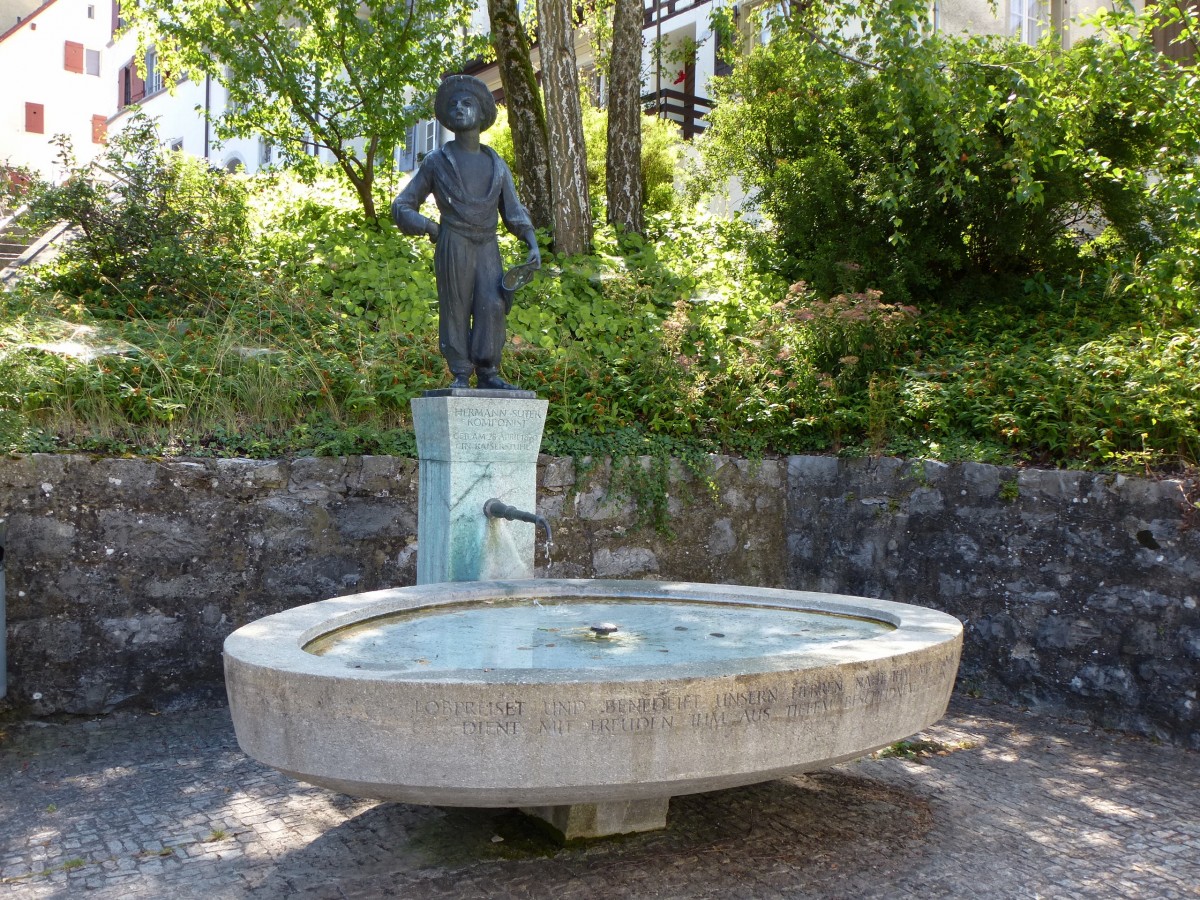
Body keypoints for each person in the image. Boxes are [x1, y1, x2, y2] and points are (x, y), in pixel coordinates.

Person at [392, 75, 541, 391]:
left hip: (487, 244)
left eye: (467, 103)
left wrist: (531, 242)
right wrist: (430, 227)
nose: (459, 108)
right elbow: (403, 205)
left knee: (493, 303)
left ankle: (488, 371)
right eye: (454, 104)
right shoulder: (437, 160)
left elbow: (513, 210)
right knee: (455, 307)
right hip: (454, 242)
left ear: (482, 114)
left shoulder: (496, 163)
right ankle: (460, 371)